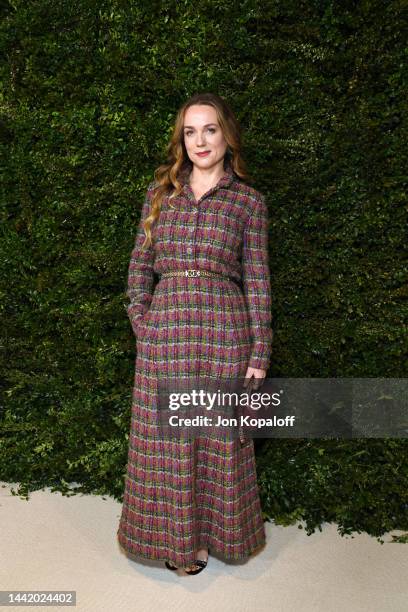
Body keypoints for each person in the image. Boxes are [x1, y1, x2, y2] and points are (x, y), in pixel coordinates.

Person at [117, 92, 273, 575]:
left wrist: (259, 352)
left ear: (227, 134)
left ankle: (206, 541)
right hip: (167, 337)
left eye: (209, 129)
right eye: (190, 131)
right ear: (181, 139)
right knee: (165, 445)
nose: (200, 141)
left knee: (217, 442)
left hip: (224, 337)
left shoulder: (248, 202)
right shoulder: (159, 194)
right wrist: (146, 326)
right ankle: (173, 542)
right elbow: (138, 272)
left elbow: (258, 282)